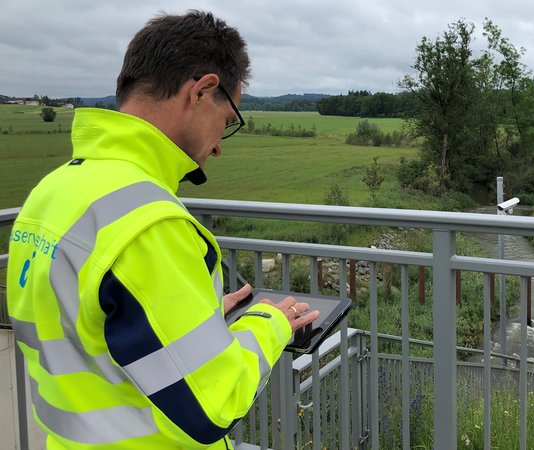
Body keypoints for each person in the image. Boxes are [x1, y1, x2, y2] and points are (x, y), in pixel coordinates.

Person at [7, 10, 318, 449]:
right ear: (203, 90)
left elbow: (93, 333)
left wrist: (201, 323)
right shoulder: (150, 221)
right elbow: (216, 401)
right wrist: (271, 324)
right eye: (227, 123)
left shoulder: (51, 193)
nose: (217, 147)